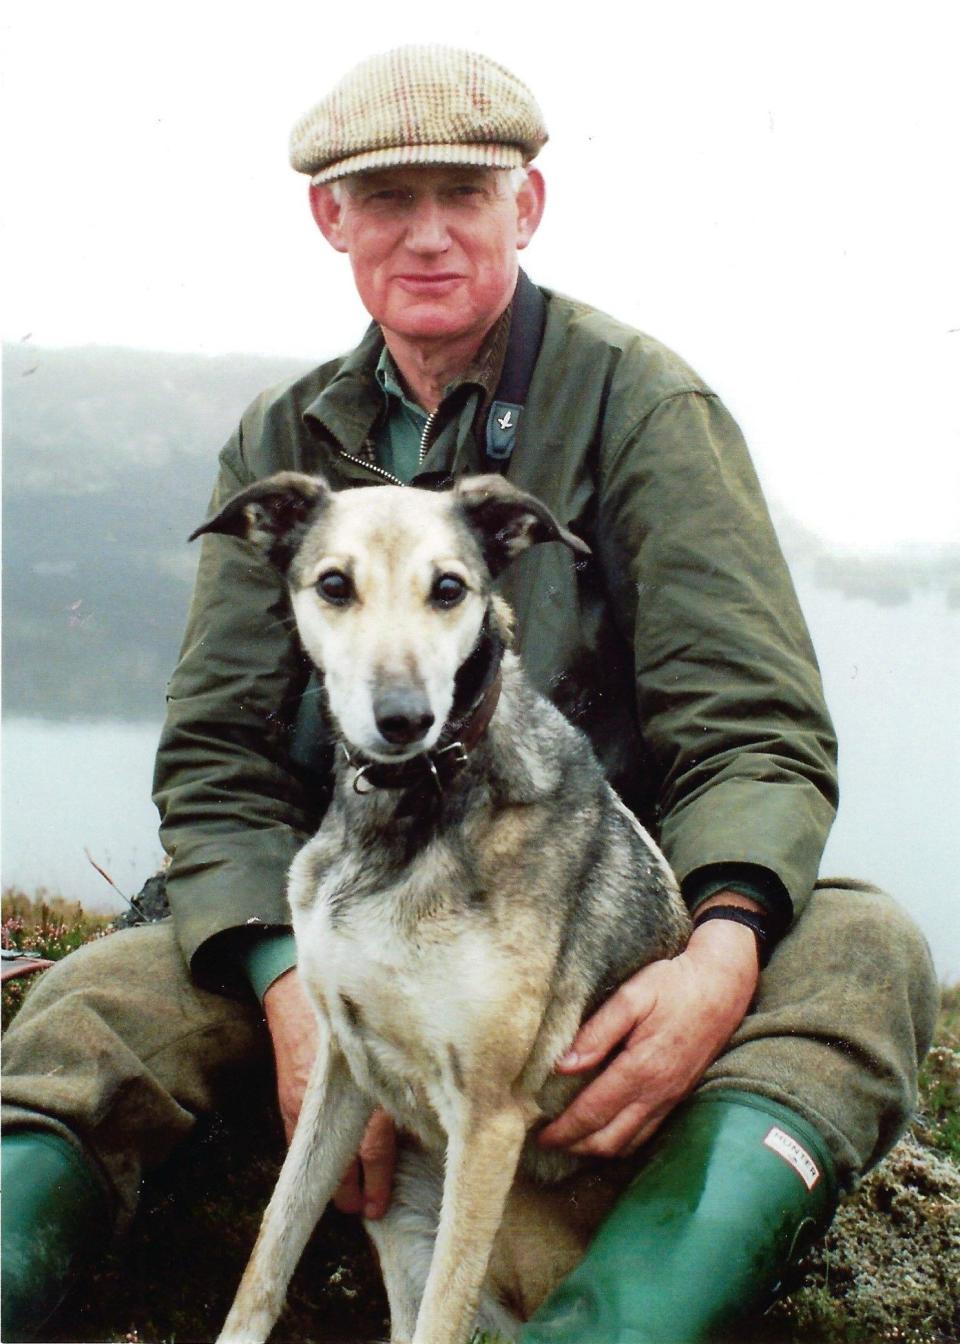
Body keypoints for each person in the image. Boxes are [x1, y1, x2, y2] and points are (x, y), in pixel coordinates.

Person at [1, 45, 939, 1343]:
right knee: (104, 998)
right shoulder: (281, 440)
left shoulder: (643, 404)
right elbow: (218, 759)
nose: (428, 235)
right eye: (386, 199)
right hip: (362, 902)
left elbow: (756, 733)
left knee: (861, 952)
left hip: (608, 911)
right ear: (331, 217)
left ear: (527, 205)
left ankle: (613, 1317)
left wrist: (716, 955)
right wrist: (292, 986)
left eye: (466, 194)